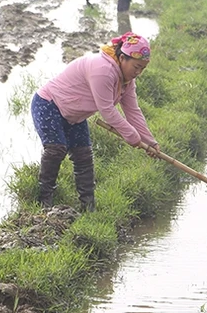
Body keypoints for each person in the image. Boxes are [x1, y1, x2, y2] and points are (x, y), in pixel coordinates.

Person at [31, 32, 160, 211]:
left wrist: (150, 141)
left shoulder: (127, 81)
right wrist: (132, 136)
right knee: (56, 149)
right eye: (136, 67)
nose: (138, 73)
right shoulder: (103, 70)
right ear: (122, 58)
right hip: (50, 104)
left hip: (75, 115)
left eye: (142, 69)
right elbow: (107, 110)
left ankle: (88, 208)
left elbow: (133, 111)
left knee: (83, 155)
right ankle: (43, 202)